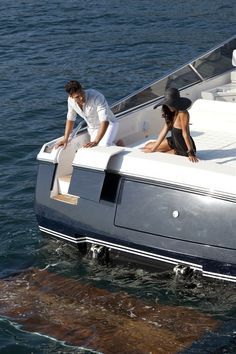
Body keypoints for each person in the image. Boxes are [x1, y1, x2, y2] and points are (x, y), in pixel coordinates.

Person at [56, 80, 119, 148]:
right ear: (71, 96)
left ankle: (118, 144)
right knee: (94, 148)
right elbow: (70, 119)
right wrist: (65, 139)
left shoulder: (97, 96)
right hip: (92, 128)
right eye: (77, 97)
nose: (81, 97)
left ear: (82, 89)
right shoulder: (70, 101)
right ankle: (119, 144)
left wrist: (96, 141)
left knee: (104, 145)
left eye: (81, 93)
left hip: (109, 124)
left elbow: (104, 121)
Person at [143, 87, 198, 162]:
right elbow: (163, 132)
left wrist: (190, 152)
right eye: (168, 104)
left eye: (171, 104)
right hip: (173, 141)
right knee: (147, 146)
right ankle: (166, 148)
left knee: (159, 155)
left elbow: (185, 133)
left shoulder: (183, 113)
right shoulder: (170, 114)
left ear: (176, 103)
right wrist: (153, 149)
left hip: (183, 147)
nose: (169, 107)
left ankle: (174, 150)